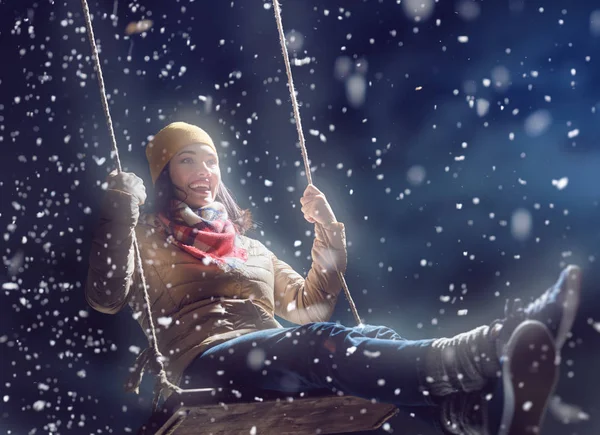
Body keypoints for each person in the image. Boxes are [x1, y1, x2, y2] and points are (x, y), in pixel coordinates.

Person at [85, 121, 582, 434]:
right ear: (164, 173)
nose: (203, 170)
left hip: (269, 357)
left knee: (365, 340)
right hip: (200, 366)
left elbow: (310, 307)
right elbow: (107, 296)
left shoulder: (249, 248)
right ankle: (487, 348)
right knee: (315, 346)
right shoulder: (144, 236)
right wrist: (117, 212)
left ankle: (469, 417)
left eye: (210, 160)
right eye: (187, 159)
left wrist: (327, 231)